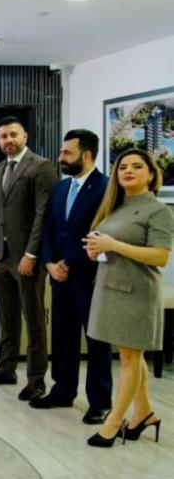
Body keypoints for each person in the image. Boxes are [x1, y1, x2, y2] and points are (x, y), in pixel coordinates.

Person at [83, 148, 173, 447]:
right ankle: (144, 413)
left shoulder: (158, 210)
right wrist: (97, 249)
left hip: (137, 293)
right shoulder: (116, 206)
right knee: (130, 355)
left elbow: (160, 256)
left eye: (136, 166)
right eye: (123, 167)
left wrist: (113, 245)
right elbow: (109, 244)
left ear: (151, 174)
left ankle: (113, 423)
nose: (128, 171)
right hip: (110, 288)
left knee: (129, 358)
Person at [32, 129, 112, 425]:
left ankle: (100, 402)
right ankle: (63, 391)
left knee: (96, 340)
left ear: (86, 154)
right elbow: (49, 229)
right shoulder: (61, 187)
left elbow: (103, 232)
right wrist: (50, 262)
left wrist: (68, 261)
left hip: (90, 276)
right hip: (59, 276)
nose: (61, 157)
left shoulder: (106, 188)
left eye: (67, 152)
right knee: (63, 336)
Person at [0, 116, 57, 401]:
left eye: (13, 134)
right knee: (7, 317)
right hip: (1, 257)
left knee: (33, 320)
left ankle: (36, 379)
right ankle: (6, 368)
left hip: (26, 258)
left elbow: (43, 214)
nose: (8, 140)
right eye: (3, 136)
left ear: (25, 136)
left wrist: (31, 254)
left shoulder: (41, 166)